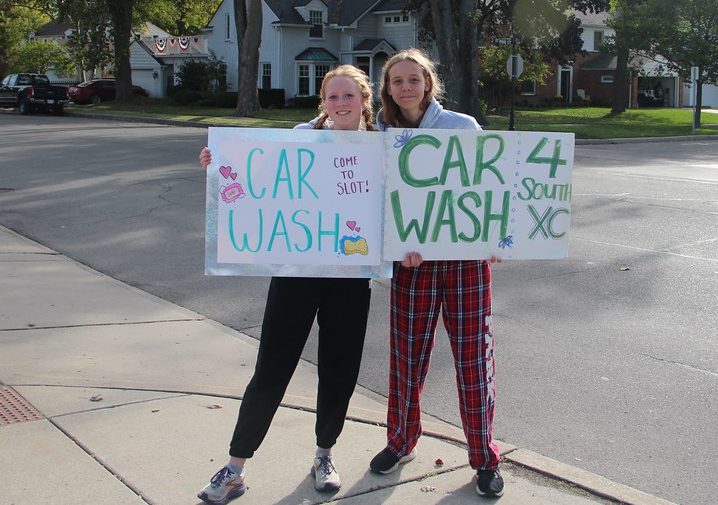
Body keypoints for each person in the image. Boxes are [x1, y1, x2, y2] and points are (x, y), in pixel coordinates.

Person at [196, 65, 376, 504]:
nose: (340, 104)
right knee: (271, 369)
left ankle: (324, 455)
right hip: (295, 275)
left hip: (350, 280)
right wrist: (218, 165)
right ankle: (235, 467)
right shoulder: (300, 138)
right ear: (323, 102)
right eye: (332, 96)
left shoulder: (382, 146)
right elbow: (254, 183)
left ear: (364, 100)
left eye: (348, 95)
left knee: (339, 370)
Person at [368, 48, 505, 498]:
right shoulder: (379, 133)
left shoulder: (461, 127)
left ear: (429, 83)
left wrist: (494, 236)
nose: (406, 87)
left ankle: (484, 457)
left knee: (473, 360)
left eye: (414, 79)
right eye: (397, 81)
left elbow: (489, 184)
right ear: (387, 89)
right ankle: (401, 440)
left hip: (466, 265)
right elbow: (324, 148)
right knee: (407, 358)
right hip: (412, 266)